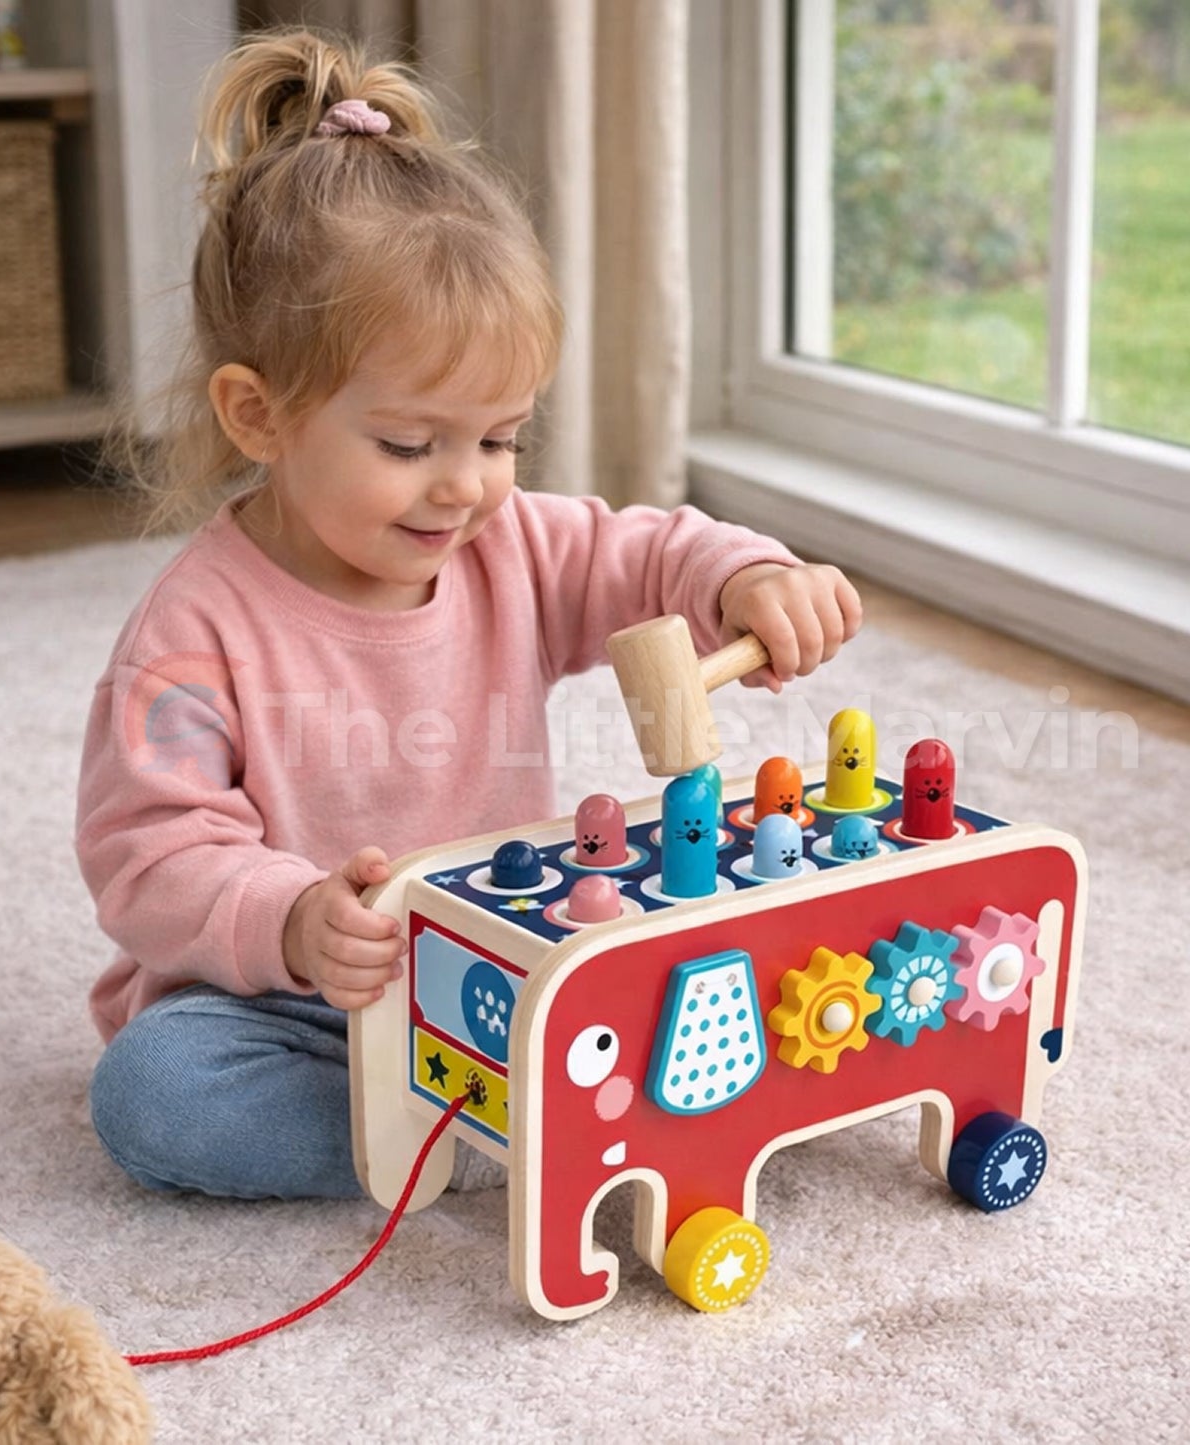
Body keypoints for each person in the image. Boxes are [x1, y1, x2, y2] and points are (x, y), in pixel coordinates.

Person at [78, 29, 863, 1201]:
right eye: (408, 444)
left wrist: (744, 576)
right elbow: (147, 853)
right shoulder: (195, 630)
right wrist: (291, 919)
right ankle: (486, 1131)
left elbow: (643, 548)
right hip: (305, 1004)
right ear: (257, 414)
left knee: (717, 950)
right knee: (155, 1095)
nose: (464, 484)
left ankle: (508, 1104)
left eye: (499, 438)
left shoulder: (509, 543)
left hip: (512, 968)